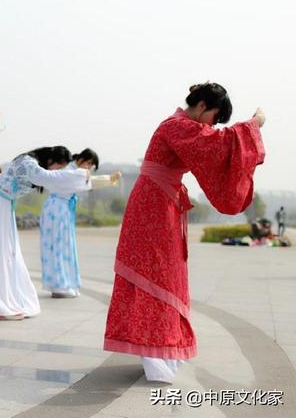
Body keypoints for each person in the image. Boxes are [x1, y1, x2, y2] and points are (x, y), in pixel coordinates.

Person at [103, 82, 265, 383]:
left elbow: (214, 143)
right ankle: (154, 351)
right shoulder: (177, 126)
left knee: (164, 273)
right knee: (156, 272)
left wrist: (248, 129)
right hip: (153, 204)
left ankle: (161, 348)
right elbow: (218, 143)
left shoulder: (180, 125)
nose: (213, 126)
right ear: (202, 106)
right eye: (214, 117)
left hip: (161, 201)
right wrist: (253, 125)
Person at [0, 146, 95, 320]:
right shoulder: (29, 163)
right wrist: (80, 174)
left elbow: (54, 179)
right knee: (0, 252)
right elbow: (49, 177)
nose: (57, 171)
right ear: (51, 160)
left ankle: (8, 300)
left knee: (8, 253)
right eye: (59, 167)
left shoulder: (34, 165)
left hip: (2, 204)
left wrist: (82, 177)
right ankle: (1, 304)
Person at [40, 148, 121, 298]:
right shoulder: (71, 171)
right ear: (81, 159)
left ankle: (64, 284)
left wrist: (109, 179)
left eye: (91, 165)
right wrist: (108, 179)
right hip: (57, 210)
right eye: (88, 163)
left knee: (64, 247)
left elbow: (88, 181)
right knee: (58, 247)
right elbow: (88, 181)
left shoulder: (74, 171)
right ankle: (59, 286)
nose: (88, 167)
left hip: (61, 209)